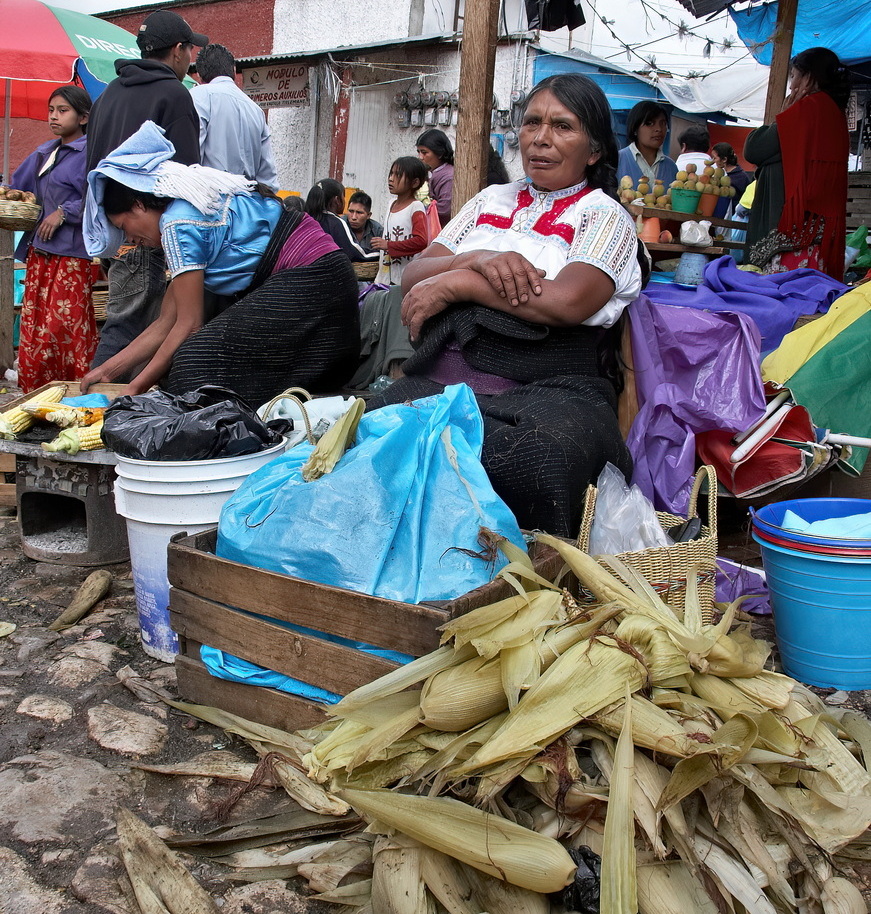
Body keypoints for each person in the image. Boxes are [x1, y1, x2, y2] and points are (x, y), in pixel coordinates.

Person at [368, 73, 645, 537]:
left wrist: (463, 282)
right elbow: (415, 274)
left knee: (535, 460)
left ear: (594, 150)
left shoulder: (604, 216)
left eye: (562, 126)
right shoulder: (489, 200)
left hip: (550, 389)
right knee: (377, 433)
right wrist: (479, 258)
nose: (541, 138)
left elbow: (567, 301)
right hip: (443, 380)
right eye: (533, 122)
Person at [80, 121, 360, 405]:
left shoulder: (177, 222)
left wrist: (136, 387)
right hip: (332, 278)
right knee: (180, 369)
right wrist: (109, 371)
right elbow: (166, 321)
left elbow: (189, 325)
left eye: (124, 226)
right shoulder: (184, 210)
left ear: (139, 205)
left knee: (190, 369)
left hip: (315, 282)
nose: (129, 238)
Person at [85, 9, 208, 375]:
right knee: (128, 327)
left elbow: (92, 166)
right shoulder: (174, 93)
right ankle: (90, 406)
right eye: (190, 51)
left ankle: (123, 405)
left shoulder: (108, 95)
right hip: (152, 233)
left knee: (139, 323)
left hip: (116, 230)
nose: (191, 59)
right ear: (177, 50)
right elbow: (185, 175)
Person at [10, 86, 97, 393]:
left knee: (64, 328)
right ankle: (36, 395)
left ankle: (74, 392)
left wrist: (62, 212)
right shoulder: (43, 153)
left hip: (73, 255)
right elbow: (16, 189)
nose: (54, 117)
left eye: (63, 111)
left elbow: (95, 195)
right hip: (40, 254)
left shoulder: (90, 154)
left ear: (84, 117)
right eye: (51, 110)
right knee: (36, 330)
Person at [744, 47, 850, 279]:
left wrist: (783, 116)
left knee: (783, 300)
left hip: (790, 233)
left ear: (809, 77)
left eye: (793, 76)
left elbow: (754, 149)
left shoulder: (806, 109)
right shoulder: (835, 114)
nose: (791, 86)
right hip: (818, 237)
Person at [190, 44, 278, 190]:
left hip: (209, 199)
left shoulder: (199, 96)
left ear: (199, 75)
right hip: (247, 203)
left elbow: (191, 159)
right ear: (234, 70)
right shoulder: (256, 110)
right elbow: (268, 179)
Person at [371, 156, 429, 286]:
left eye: (397, 175)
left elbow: (421, 241)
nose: (391, 179)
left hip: (404, 279)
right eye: (391, 173)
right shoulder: (391, 203)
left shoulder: (416, 207)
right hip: (384, 277)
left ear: (414, 183)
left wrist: (388, 245)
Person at [304, 178, 375, 263]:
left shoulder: (306, 219)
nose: (354, 217)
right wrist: (381, 252)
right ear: (337, 200)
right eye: (343, 197)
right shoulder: (336, 223)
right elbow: (355, 254)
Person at [617, 101, 678, 186]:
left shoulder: (671, 167)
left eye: (663, 123)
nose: (659, 129)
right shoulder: (617, 161)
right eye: (649, 123)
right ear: (635, 129)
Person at [416, 128, 454, 227]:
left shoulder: (448, 177)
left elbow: (444, 209)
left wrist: (418, 207)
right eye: (418, 152)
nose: (420, 157)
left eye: (424, 153)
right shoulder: (431, 173)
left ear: (440, 153)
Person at [711, 141, 751, 220]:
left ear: (724, 159)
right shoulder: (721, 175)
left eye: (715, 158)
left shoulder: (741, 177)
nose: (713, 161)